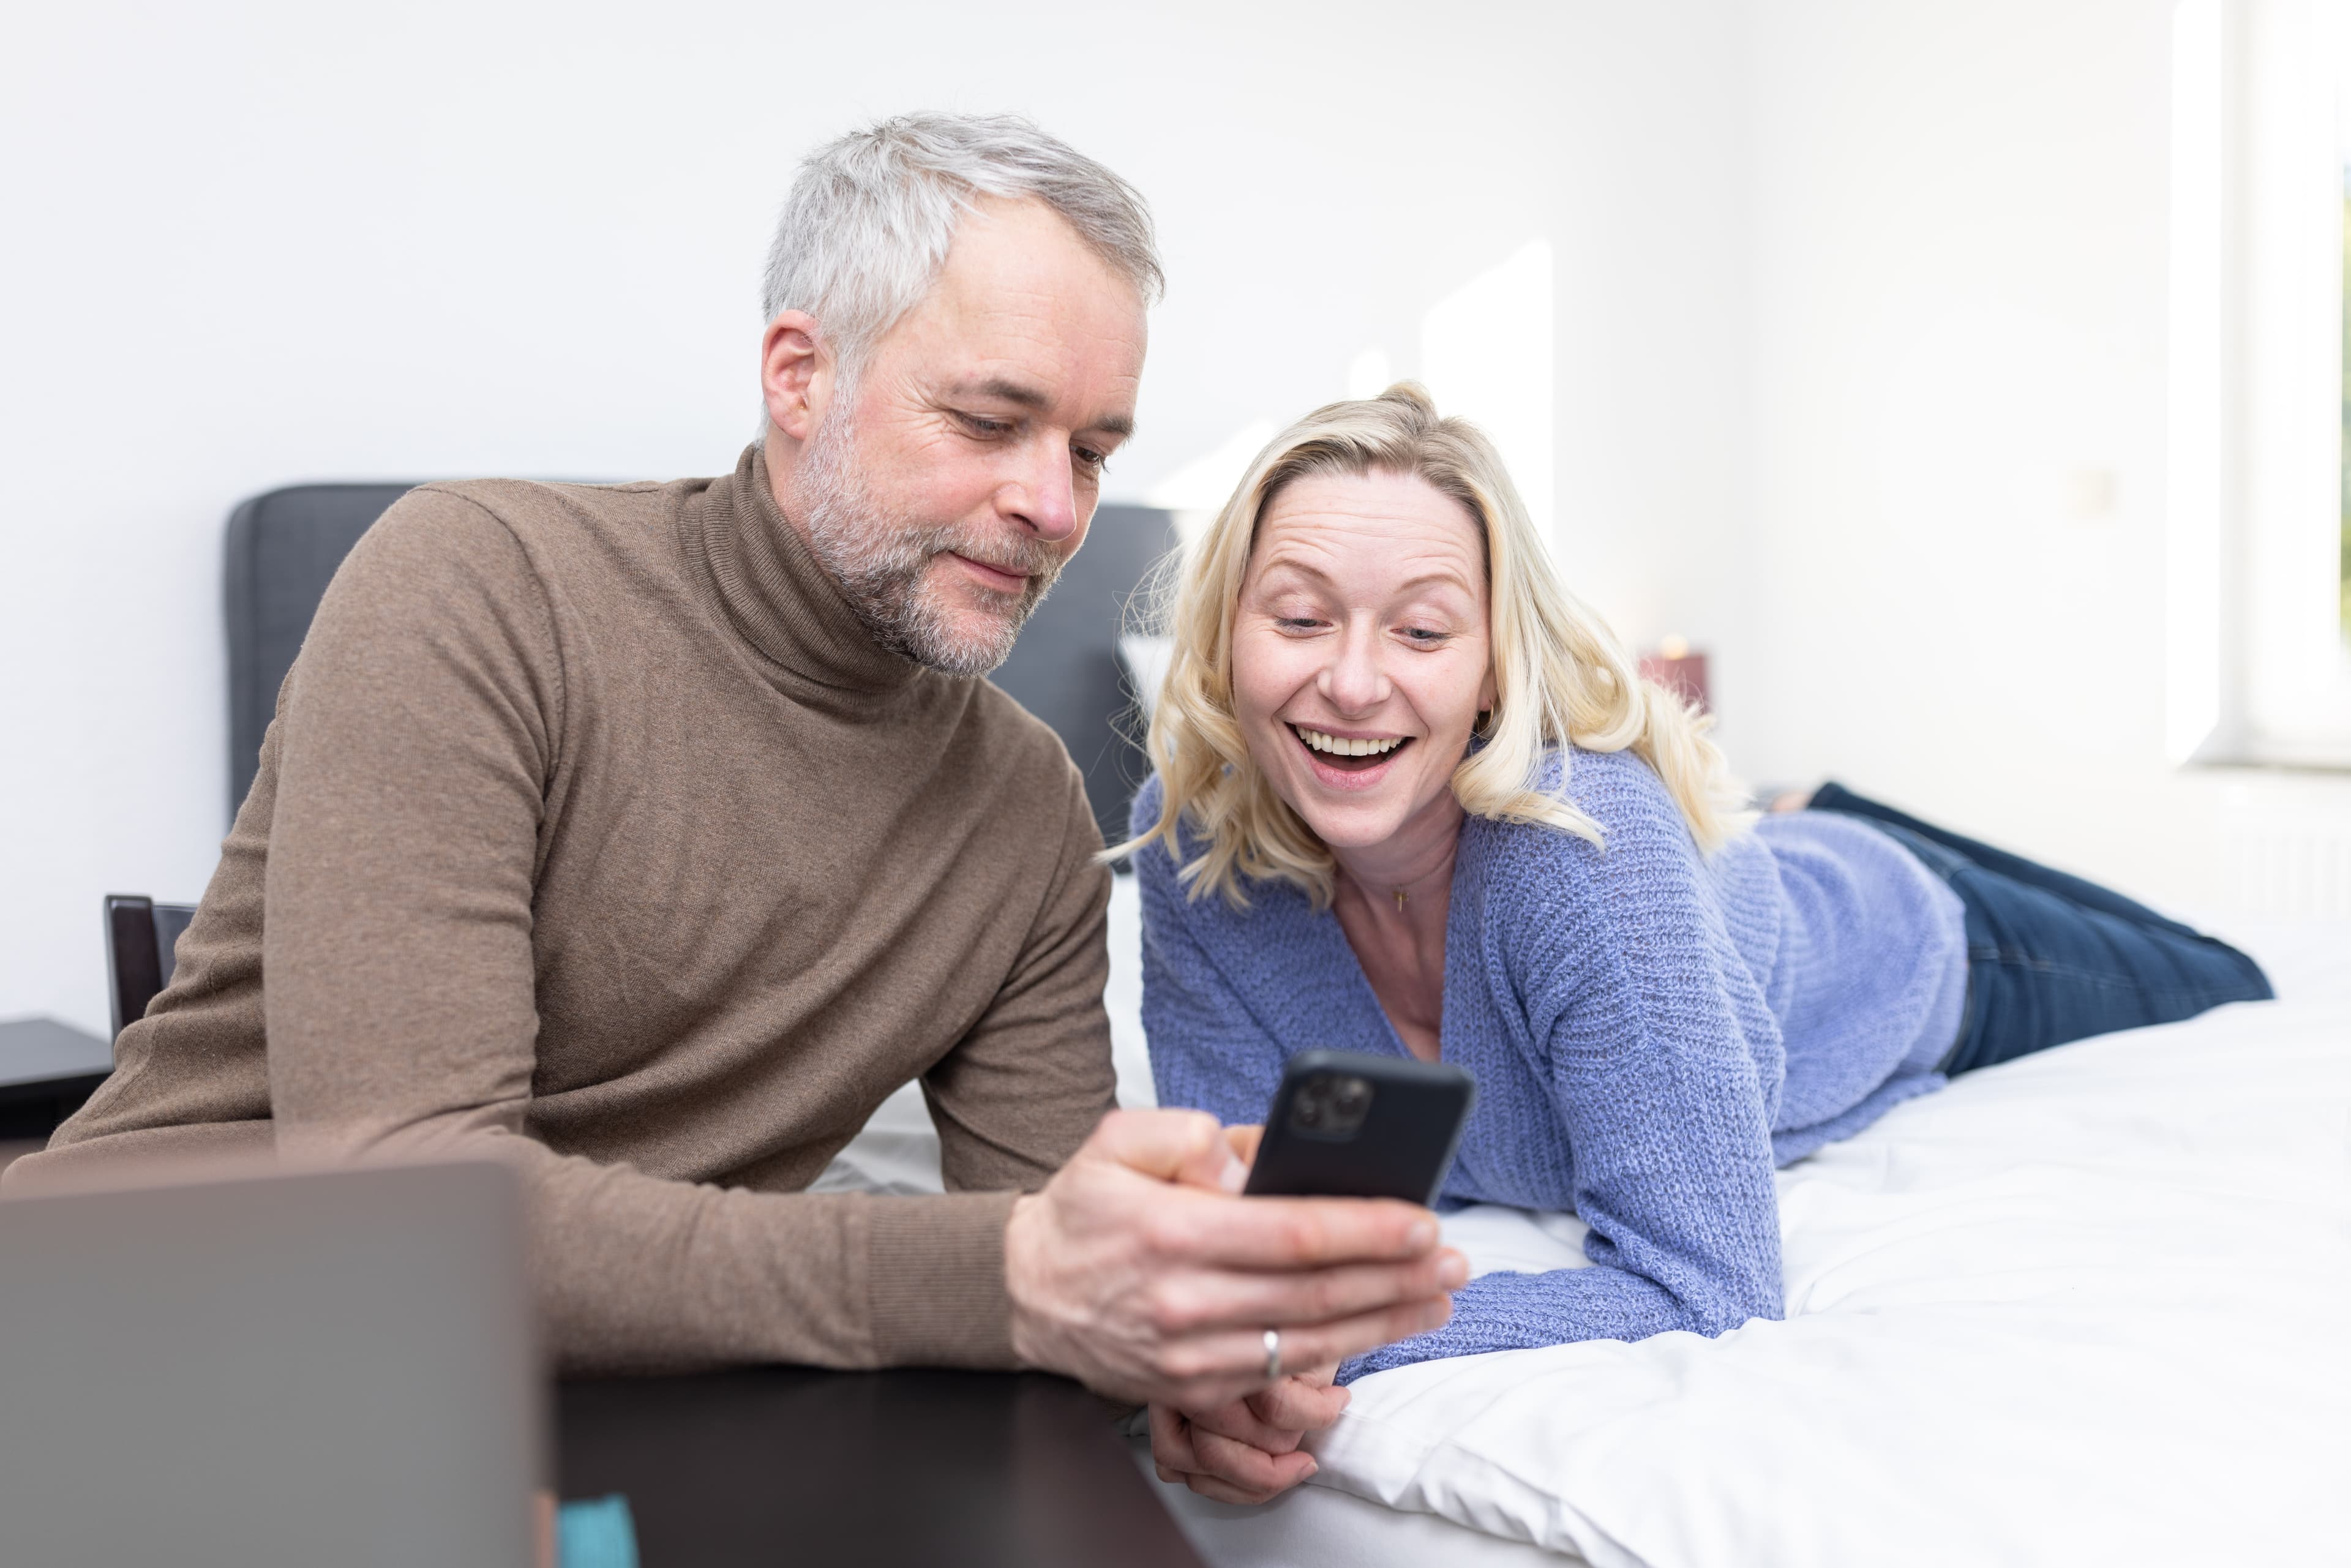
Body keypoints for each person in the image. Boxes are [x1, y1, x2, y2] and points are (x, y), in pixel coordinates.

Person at [4, 116, 1464, 1420]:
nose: (1049, 505)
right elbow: (410, 1217)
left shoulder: (1023, 811)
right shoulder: (476, 590)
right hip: (148, 1367)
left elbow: (1044, 1247)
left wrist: (1179, 1355)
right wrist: (1004, 1275)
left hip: (603, 1402)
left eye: (1091, 450)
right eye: (988, 420)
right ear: (799, 374)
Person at [1123, 383, 2274, 1501]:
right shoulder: (1189, 849)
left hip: (1907, 939)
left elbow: (1708, 1279)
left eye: (1422, 628)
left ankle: (1821, 815)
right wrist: (1235, 1348)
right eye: (1301, 616)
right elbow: (1250, 1234)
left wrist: (1344, 1344)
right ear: (1229, 633)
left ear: (1491, 671)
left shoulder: (1577, 853)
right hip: (1739, 885)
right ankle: (1794, 807)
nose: (1354, 679)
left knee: (2237, 977)